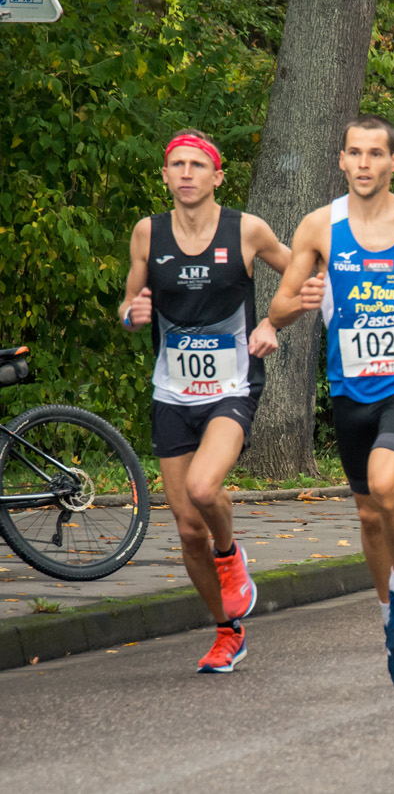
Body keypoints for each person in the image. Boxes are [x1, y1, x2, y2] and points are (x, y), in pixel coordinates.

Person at [269, 115, 394, 686]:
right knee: (367, 511)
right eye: (354, 153)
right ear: (341, 161)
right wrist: (298, 303)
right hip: (349, 387)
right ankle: (392, 619)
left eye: (374, 153)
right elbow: (280, 306)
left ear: (393, 163)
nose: (363, 163)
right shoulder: (319, 226)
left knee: (387, 484)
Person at [118, 130, 290, 673]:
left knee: (202, 488)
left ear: (217, 176)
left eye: (197, 165)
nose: (187, 173)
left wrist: (273, 321)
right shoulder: (148, 233)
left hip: (232, 386)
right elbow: (129, 301)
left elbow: (304, 273)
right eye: (177, 165)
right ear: (165, 176)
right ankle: (226, 630)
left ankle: (229, 553)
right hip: (171, 390)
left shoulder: (247, 230)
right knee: (186, 525)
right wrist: (131, 314)